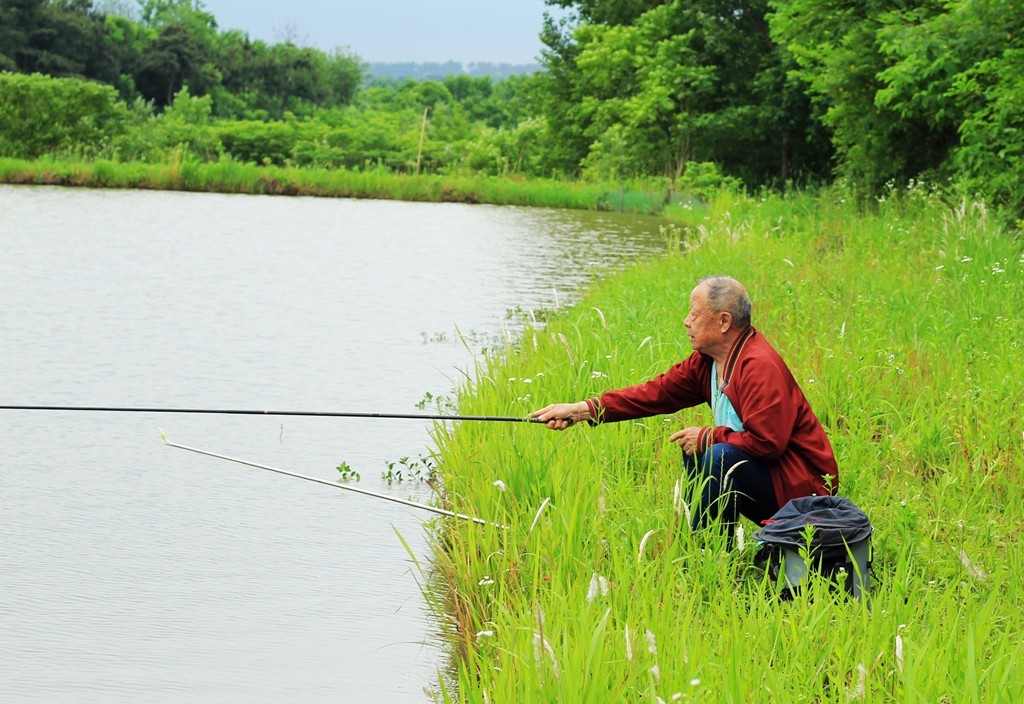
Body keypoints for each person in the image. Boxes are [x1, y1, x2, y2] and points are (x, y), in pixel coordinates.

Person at [532, 275, 838, 533]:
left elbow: (768, 443)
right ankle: (712, 547)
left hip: (804, 493)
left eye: (694, 313)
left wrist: (708, 436)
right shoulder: (711, 361)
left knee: (715, 453)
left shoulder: (759, 366)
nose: (686, 321)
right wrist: (583, 409)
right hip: (773, 477)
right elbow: (657, 392)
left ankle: (709, 549)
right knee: (700, 448)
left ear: (723, 321)